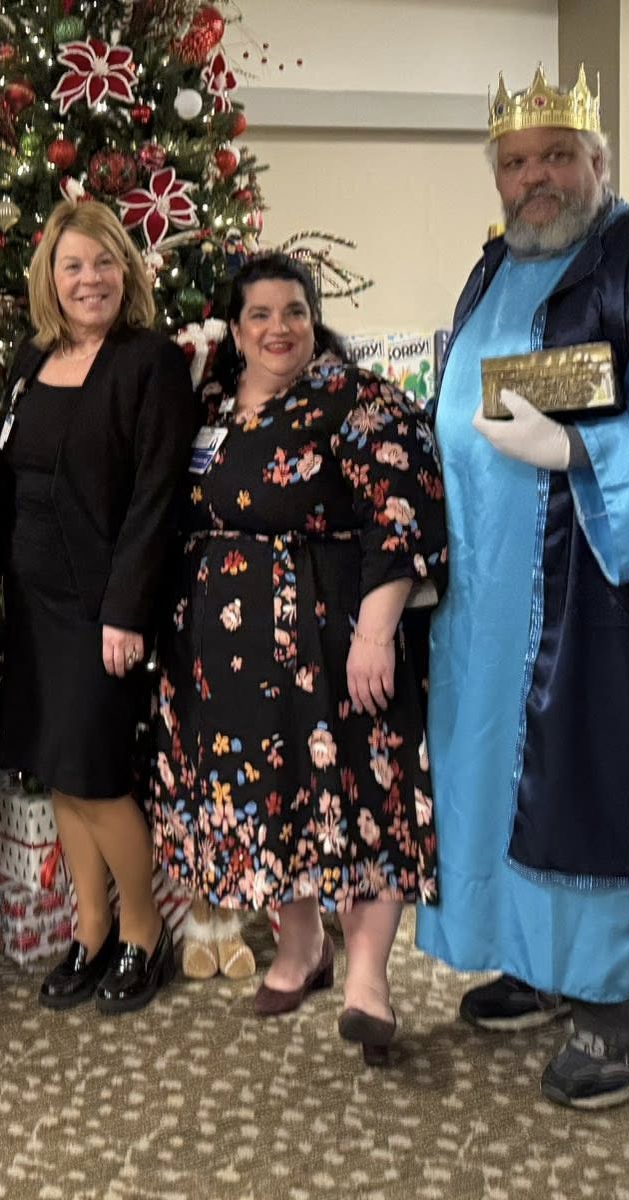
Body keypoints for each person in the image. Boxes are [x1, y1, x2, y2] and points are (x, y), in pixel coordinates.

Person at [415, 66, 629, 1110]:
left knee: (587, 783)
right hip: (482, 594)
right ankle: (536, 958)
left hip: (591, 592)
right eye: (515, 162)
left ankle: (616, 1001)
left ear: (597, 163)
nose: (534, 178)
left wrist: (584, 457)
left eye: (556, 156)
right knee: (491, 776)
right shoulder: (489, 268)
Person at [152, 253, 447, 1058]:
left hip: (335, 646)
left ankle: (368, 981)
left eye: (294, 311)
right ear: (234, 328)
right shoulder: (211, 403)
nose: (279, 327)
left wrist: (377, 632)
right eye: (259, 314)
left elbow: (406, 510)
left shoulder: (356, 400)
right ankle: (299, 947)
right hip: (227, 663)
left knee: (360, 798)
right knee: (280, 804)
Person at [0, 199, 195, 1014]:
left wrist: (126, 612)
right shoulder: (30, 355)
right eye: (73, 264)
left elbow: (156, 496)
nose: (89, 279)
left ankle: (142, 931)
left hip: (99, 607)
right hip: (32, 602)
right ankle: (90, 927)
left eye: (104, 263)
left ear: (128, 273)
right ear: (49, 275)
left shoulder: (149, 363)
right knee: (60, 773)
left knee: (102, 777)